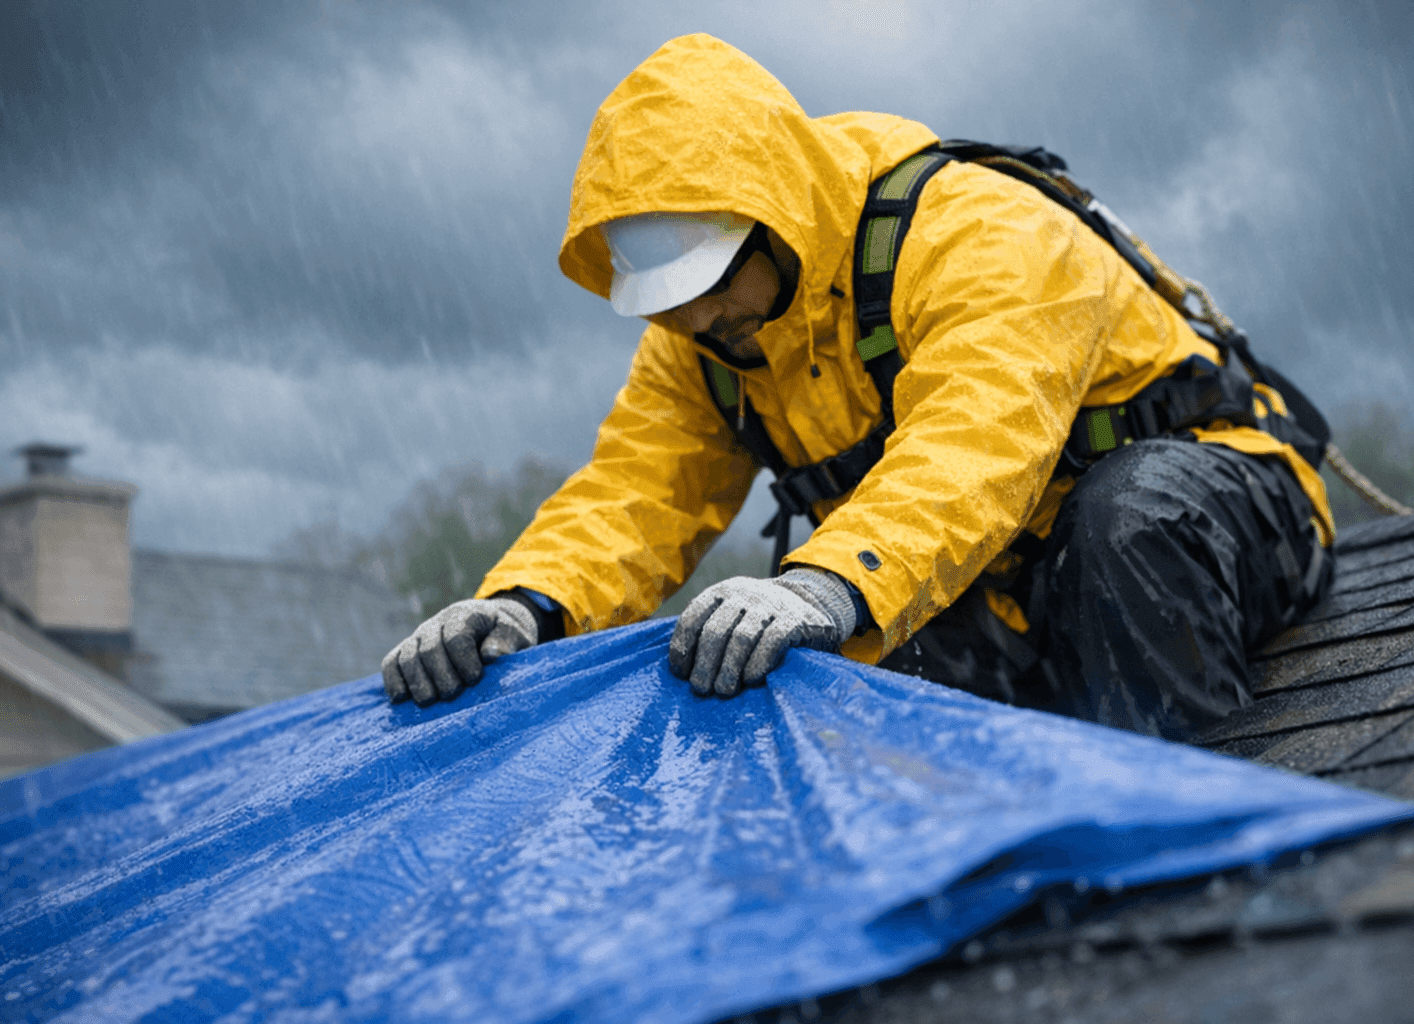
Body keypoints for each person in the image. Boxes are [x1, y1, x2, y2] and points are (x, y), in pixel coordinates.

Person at [380, 34, 1335, 741]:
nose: (697, 323)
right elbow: (634, 493)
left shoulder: (976, 229)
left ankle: (1212, 854)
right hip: (1007, 589)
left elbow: (976, 442)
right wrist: (522, 607)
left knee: (1121, 522)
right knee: (831, 683)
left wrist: (830, 584)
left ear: (774, 217)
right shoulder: (700, 338)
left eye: (710, 287)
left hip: (1219, 513)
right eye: (664, 306)